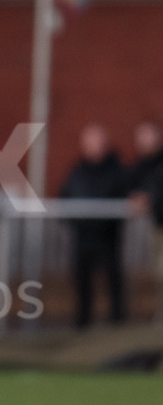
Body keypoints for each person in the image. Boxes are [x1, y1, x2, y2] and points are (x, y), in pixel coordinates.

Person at [59, 124, 130, 330]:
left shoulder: (117, 170)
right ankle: (82, 326)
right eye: (90, 142)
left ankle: (118, 326)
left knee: (113, 281)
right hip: (83, 236)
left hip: (108, 236)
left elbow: (125, 194)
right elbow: (65, 195)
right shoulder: (77, 170)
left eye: (98, 142)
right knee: (82, 283)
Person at [128, 121, 163, 320]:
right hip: (157, 224)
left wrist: (150, 198)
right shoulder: (141, 165)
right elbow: (130, 185)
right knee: (158, 272)